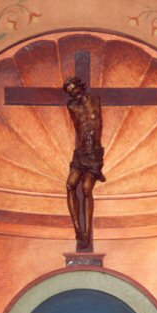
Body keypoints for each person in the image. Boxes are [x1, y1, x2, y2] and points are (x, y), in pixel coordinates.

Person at [63, 77, 106, 251]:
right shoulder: (72, 106)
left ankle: (87, 232)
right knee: (70, 185)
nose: (73, 92)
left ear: (80, 86)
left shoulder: (95, 99)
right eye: (69, 91)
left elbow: (95, 120)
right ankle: (78, 230)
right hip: (80, 153)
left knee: (87, 189)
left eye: (74, 88)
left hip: (94, 154)